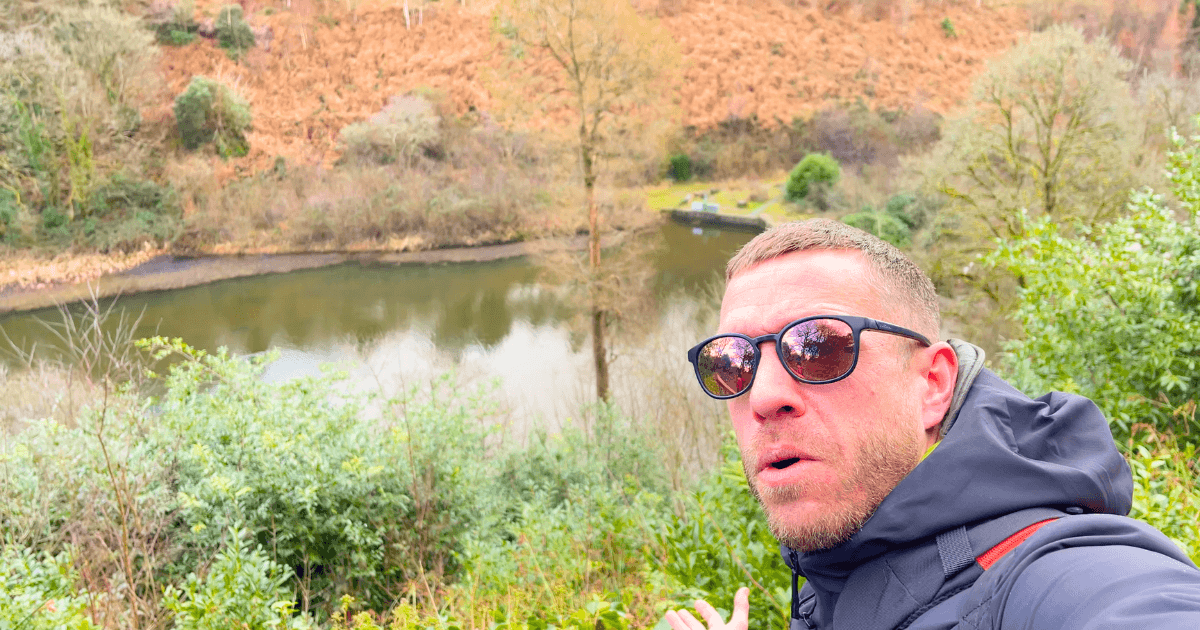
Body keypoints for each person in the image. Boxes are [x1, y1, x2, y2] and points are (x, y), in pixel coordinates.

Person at [666, 219, 1200, 630]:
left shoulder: (1046, 576)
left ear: (932, 384)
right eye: (732, 361)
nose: (764, 397)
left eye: (819, 347)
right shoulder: (837, 567)